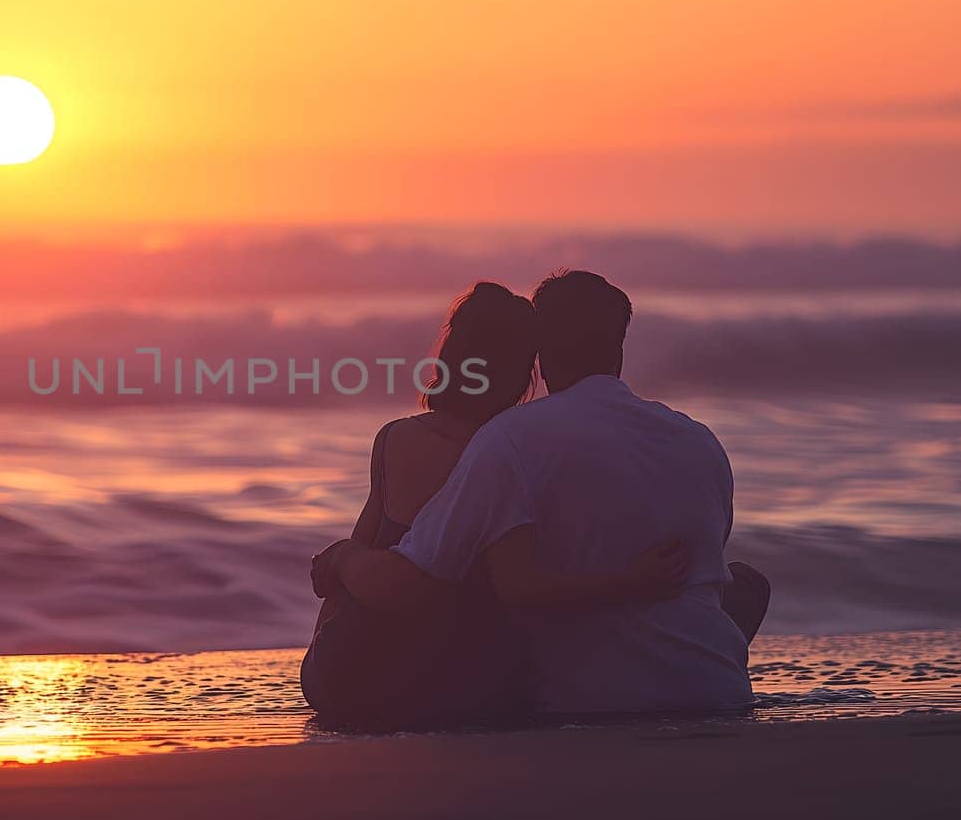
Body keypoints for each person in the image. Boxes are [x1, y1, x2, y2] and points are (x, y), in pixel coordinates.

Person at [310, 270, 768, 722]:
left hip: (599, 699)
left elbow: (429, 583)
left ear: (542, 357)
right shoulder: (700, 441)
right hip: (720, 688)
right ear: (619, 348)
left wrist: (343, 557)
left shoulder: (512, 439)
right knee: (741, 583)